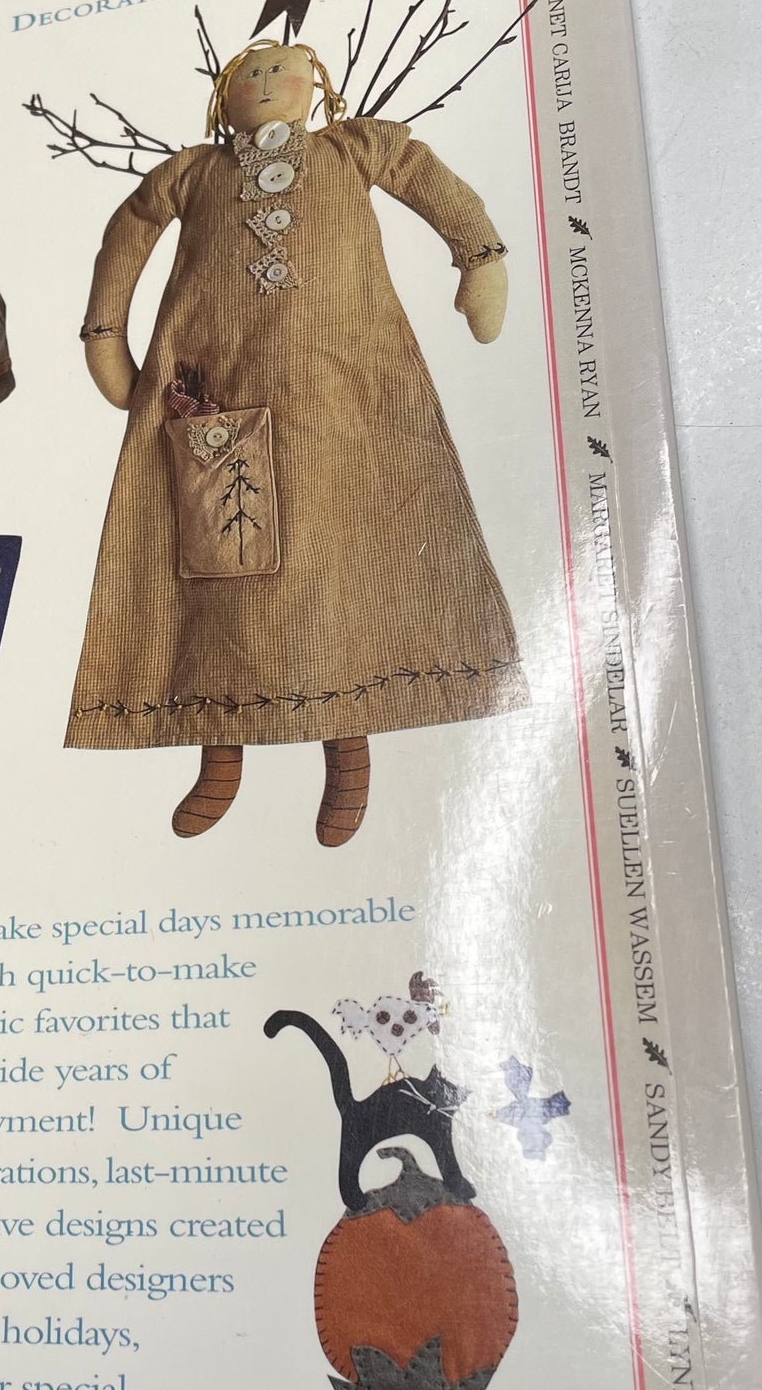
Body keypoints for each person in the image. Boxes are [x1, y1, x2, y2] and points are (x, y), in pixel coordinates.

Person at [66, 41, 526, 845]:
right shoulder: (192, 172)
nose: (264, 80)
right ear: (224, 97)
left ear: (316, 85)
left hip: (349, 393)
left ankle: (349, 755)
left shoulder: (355, 149)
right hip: (215, 389)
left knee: (342, 565)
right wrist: (106, 333)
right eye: (247, 73)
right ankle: (219, 755)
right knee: (217, 575)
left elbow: (427, 178)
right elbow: (130, 230)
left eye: (280, 69)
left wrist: (478, 257)